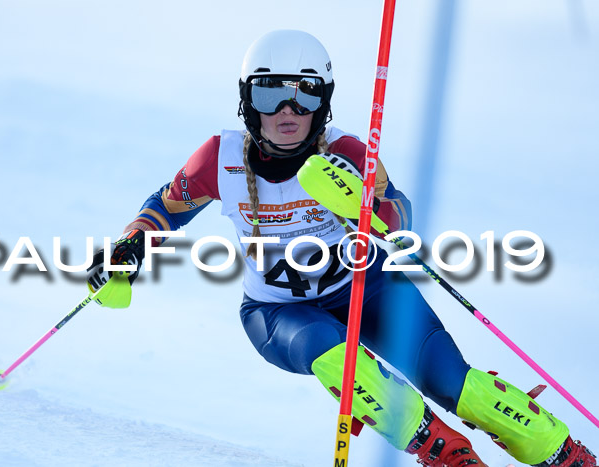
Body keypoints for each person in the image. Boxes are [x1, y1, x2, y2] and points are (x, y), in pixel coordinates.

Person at [87, 30, 596, 467]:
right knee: (336, 357)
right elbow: (166, 207)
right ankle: (443, 450)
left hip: (369, 288)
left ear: (323, 101)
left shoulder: (347, 152)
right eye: (270, 94)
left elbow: (400, 214)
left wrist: (368, 210)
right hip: (280, 312)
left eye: (304, 95)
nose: (288, 111)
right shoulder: (220, 159)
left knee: (456, 384)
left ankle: (563, 452)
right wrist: (128, 249)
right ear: (247, 101)